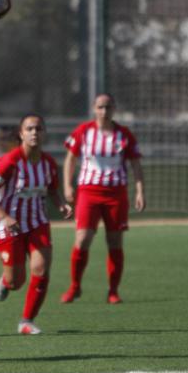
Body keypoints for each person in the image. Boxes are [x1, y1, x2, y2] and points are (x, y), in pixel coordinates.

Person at [0, 114, 73, 335]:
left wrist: (61, 205)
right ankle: (6, 283)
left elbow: (52, 189)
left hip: (37, 222)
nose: (34, 132)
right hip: (9, 226)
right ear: (21, 134)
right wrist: (4, 216)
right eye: (30, 129)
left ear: (44, 133)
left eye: (39, 129)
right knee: (16, 281)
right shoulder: (9, 162)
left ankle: (26, 321)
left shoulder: (48, 163)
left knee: (41, 268)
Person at [60, 93, 146, 305]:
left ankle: (113, 291)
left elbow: (135, 164)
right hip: (89, 192)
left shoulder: (124, 134)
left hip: (116, 194)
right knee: (82, 239)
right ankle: (75, 286)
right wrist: (68, 185)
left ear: (114, 109)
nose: (104, 111)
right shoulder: (84, 131)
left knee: (114, 242)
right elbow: (70, 158)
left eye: (108, 107)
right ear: (94, 108)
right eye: (100, 107)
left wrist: (140, 190)